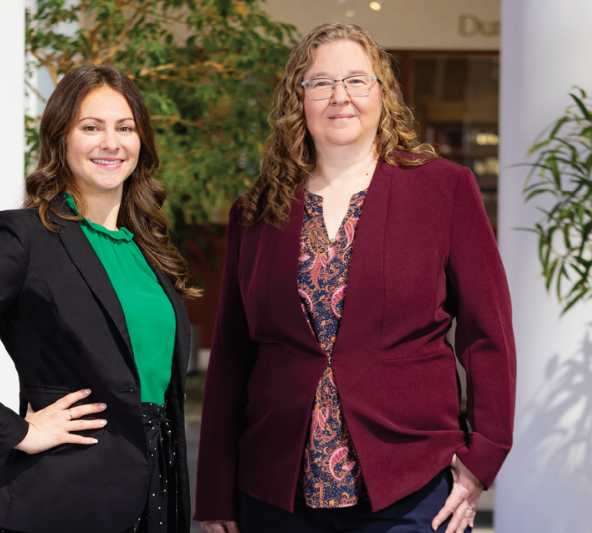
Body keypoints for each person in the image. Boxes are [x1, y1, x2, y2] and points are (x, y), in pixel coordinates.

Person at [194, 22, 516, 533]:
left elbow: (487, 334)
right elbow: (231, 357)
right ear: (297, 99)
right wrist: (214, 491)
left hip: (409, 480)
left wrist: (484, 455)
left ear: (382, 93)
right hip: (274, 489)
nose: (339, 96)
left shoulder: (443, 189)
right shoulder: (256, 210)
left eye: (357, 80)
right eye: (320, 82)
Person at [0, 64, 198, 533]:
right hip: (66, 498)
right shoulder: (24, 237)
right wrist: (17, 432)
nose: (111, 142)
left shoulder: (149, 249)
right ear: (60, 139)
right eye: (91, 127)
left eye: (125, 127)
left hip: (158, 491)